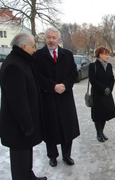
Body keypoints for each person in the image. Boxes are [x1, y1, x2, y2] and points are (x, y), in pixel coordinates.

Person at [0, 32, 47, 180]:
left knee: (27, 151)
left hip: (25, 120)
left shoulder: (22, 61)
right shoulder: (13, 65)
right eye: (33, 46)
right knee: (19, 154)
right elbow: (17, 101)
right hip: (17, 124)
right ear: (24, 47)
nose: (35, 50)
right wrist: (26, 123)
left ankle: (28, 176)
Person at [34, 27, 80, 167]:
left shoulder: (67, 54)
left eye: (54, 37)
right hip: (48, 98)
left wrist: (64, 85)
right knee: (50, 127)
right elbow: (37, 77)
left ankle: (67, 155)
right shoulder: (38, 56)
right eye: (48, 37)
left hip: (65, 97)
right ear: (45, 38)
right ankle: (52, 156)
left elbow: (73, 73)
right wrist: (53, 86)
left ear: (59, 39)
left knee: (67, 127)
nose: (51, 40)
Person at [89, 46, 115, 142]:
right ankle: (98, 133)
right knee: (98, 115)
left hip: (107, 94)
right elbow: (92, 80)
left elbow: (112, 78)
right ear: (100, 55)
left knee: (105, 113)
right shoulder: (93, 66)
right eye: (106, 54)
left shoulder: (109, 66)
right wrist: (103, 88)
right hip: (98, 94)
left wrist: (109, 88)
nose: (108, 56)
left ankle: (102, 131)